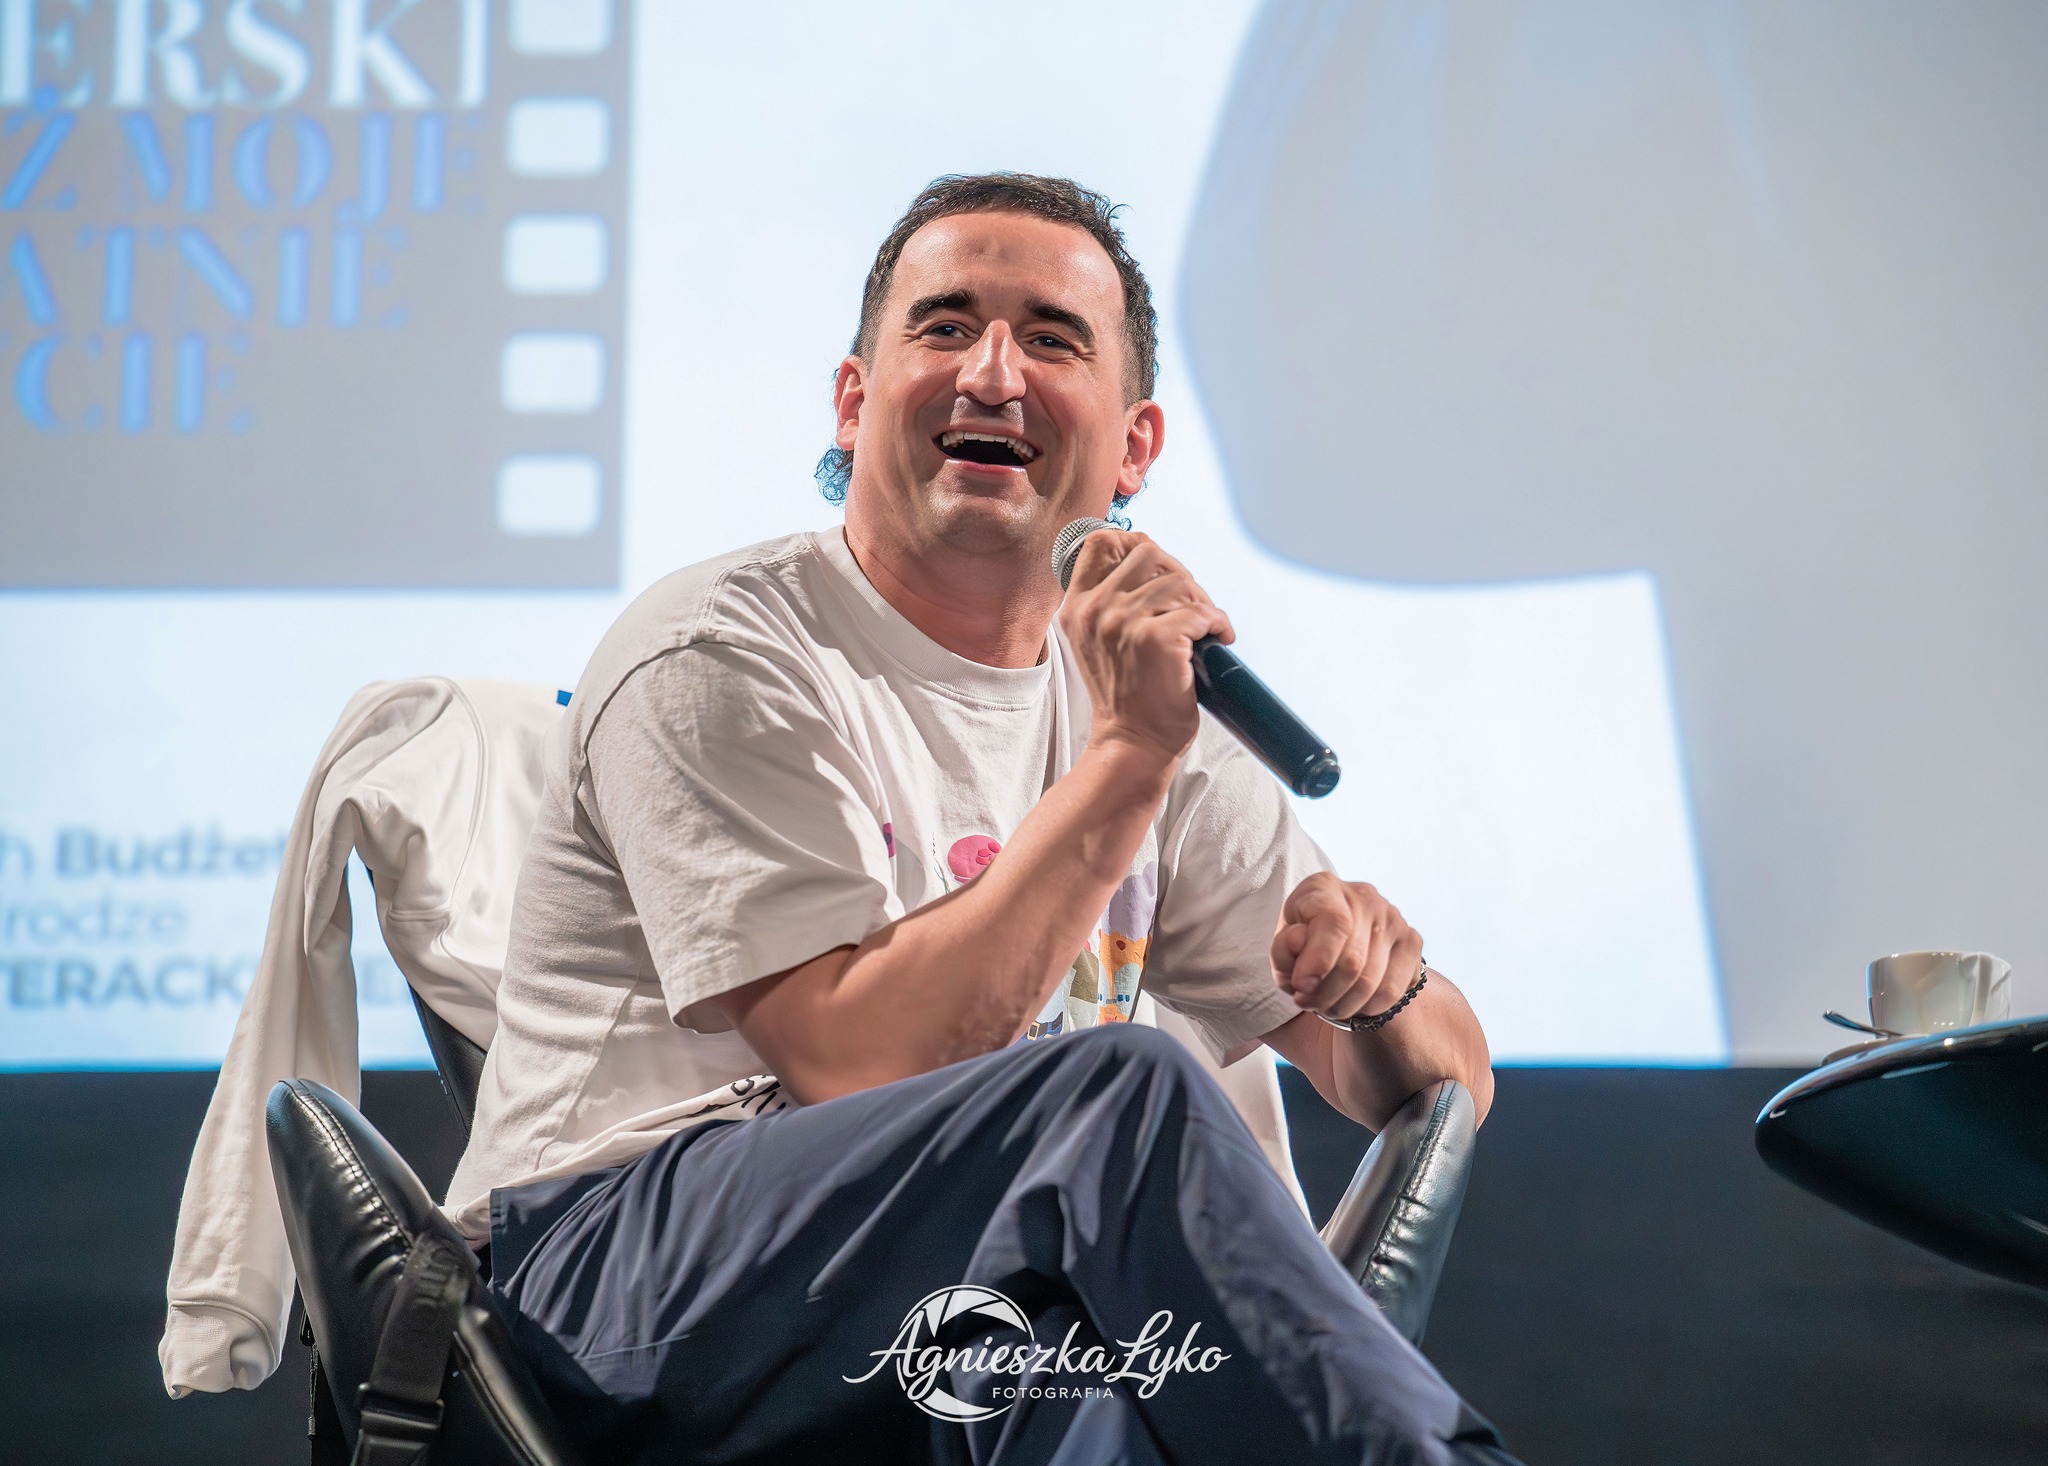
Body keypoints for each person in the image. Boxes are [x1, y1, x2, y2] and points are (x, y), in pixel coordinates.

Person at [447, 172, 1511, 1465]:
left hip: (927, 1294)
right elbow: (862, 1068)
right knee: (1116, 1094)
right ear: (855, 400)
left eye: (1052, 340)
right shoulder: (719, 651)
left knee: (1108, 1395)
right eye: (946, 326)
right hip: (600, 1282)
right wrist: (1130, 757)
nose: (993, 373)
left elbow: (1448, 1081)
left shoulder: (1134, 689)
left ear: (1135, 446)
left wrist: (1383, 990)